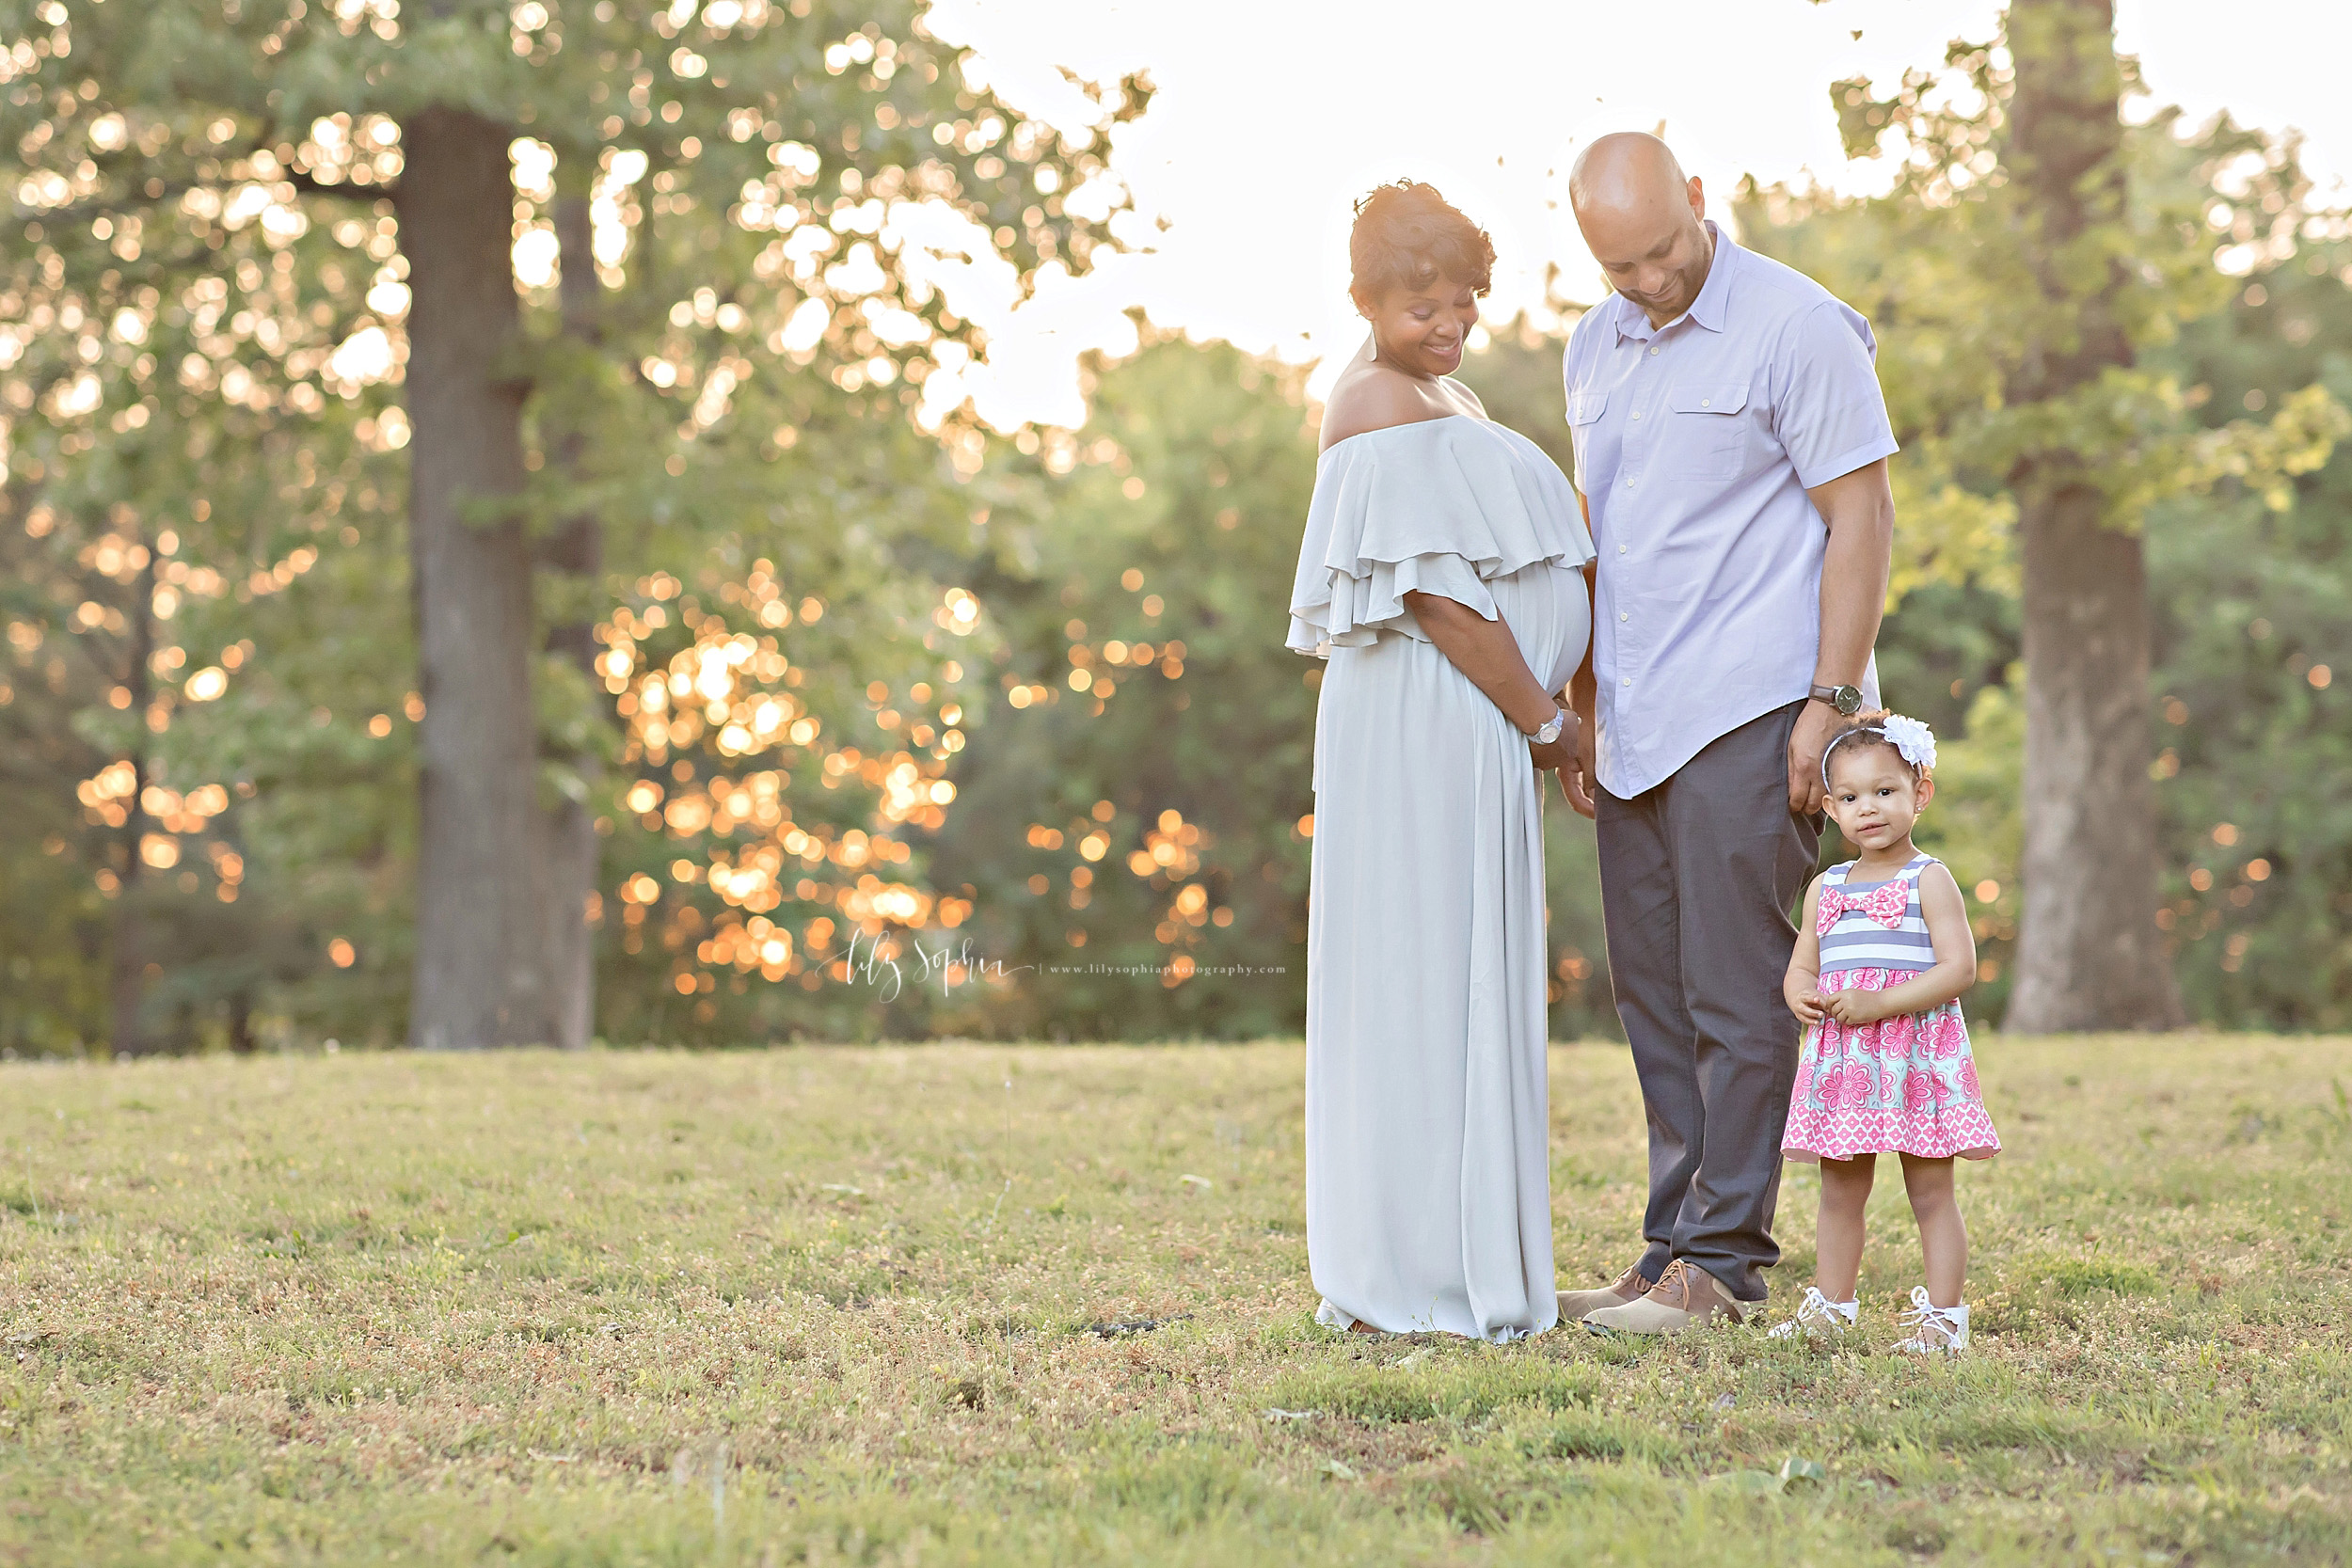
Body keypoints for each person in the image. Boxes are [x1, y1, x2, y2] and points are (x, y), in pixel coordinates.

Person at [1553, 133, 1900, 1335]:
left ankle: (1722, 1262)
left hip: (1754, 701)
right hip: (1639, 711)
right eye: (1618, 266)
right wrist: (1588, 707)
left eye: (1660, 250)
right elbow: (1603, 538)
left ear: (1701, 200)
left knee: (1739, 989)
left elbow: (1858, 514)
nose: (1645, 281)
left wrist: (1829, 698)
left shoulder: (1797, 326)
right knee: (1651, 992)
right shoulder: (1591, 347)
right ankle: (1665, 1249)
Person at [1286, 181, 1596, 1340]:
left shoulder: (1444, 391)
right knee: (1420, 975)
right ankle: (1413, 1271)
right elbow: (1438, 596)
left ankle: (1464, 1259)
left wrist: (1562, 698)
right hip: (1429, 712)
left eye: (1463, 299)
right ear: (1367, 298)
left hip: (1468, 718)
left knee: (1459, 973)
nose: (1448, 320)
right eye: (1422, 302)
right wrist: (1555, 726)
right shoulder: (1372, 401)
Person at [1771, 711, 1999, 1354]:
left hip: (1914, 1056)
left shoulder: (1928, 878)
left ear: (1919, 793)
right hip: (1848, 1064)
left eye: (1884, 791)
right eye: (1849, 797)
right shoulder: (1827, 887)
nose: (1867, 808)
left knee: (1930, 1190)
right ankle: (1831, 1306)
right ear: (1831, 808)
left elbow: (1959, 967)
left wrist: (1882, 1003)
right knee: (1840, 1190)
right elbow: (1804, 962)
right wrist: (1800, 993)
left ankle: (1944, 1321)